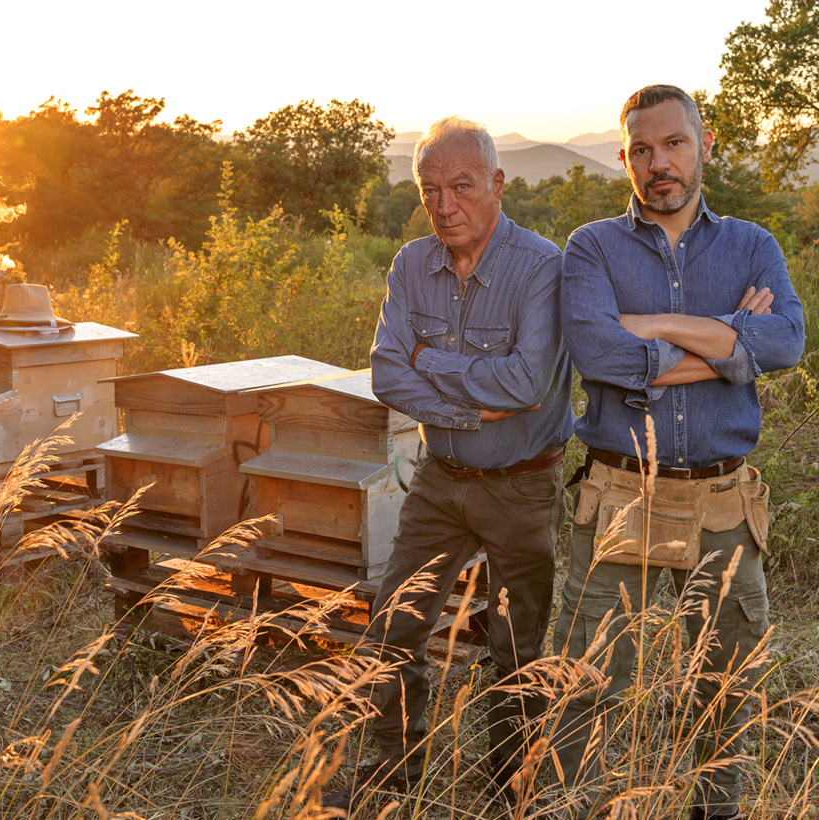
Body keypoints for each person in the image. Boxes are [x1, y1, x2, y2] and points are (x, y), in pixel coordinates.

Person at [553, 85, 805, 820]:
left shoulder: (752, 246)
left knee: (727, 686)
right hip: (621, 496)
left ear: (706, 144)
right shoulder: (592, 246)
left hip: (724, 504)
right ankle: (578, 808)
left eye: (673, 144)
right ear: (625, 157)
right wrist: (731, 344)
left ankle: (715, 810)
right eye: (640, 149)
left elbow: (785, 341)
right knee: (587, 686)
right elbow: (600, 352)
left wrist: (658, 321)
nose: (657, 162)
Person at [325, 117, 574, 811]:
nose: (444, 205)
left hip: (523, 486)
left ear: (497, 184)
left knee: (514, 645)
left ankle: (507, 786)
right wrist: (467, 410)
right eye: (430, 189)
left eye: (461, 186)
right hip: (440, 482)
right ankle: (392, 772)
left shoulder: (541, 267)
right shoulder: (411, 264)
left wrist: (429, 360)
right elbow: (385, 375)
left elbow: (527, 385)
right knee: (393, 623)